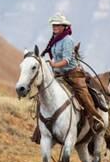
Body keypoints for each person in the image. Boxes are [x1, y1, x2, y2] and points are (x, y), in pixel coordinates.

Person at [31, 13, 104, 143]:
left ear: (64, 26)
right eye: (53, 25)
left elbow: (66, 60)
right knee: (44, 95)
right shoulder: (54, 40)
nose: (54, 27)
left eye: (57, 25)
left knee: (83, 94)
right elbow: (55, 56)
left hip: (73, 73)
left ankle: (96, 119)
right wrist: (51, 66)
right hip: (58, 73)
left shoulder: (68, 40)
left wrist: (53, 64)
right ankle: (40, 129)